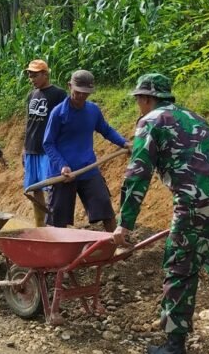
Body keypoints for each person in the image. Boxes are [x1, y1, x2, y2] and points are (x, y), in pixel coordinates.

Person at [112, 73, 209, 354]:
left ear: (145, 99)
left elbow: (137, 175)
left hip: (197, 203)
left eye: (138, 100)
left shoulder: (150, 121)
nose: (137, 106)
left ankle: (174, 348)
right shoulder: (192, 115)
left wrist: (125, 223)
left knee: (180, 269)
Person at [43, 70, 130, 230]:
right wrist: (62, 165)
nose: (81, 96)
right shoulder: (58, 113)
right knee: (58, 221)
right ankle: (56, 252)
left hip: (88, 169)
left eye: (85, 93)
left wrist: (124, 142)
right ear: (69, 86)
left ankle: (116, 245)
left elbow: (106, 129)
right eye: (78, 92)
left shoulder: (93, 110)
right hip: (63, 175)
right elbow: (48, 143)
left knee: (105, 208)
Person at [24, 60, 68, 226]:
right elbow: (28, 123)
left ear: (45, 74)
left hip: (48, 150)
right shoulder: (31, 95)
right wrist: (24, 148)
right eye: (30, 75)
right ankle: (39, 224)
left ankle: (53, 223)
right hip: (31, 148)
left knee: (50, 188)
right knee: (35, 188)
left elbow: (64, 121)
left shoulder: (58, 94)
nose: (32, 79)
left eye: (35, 75)